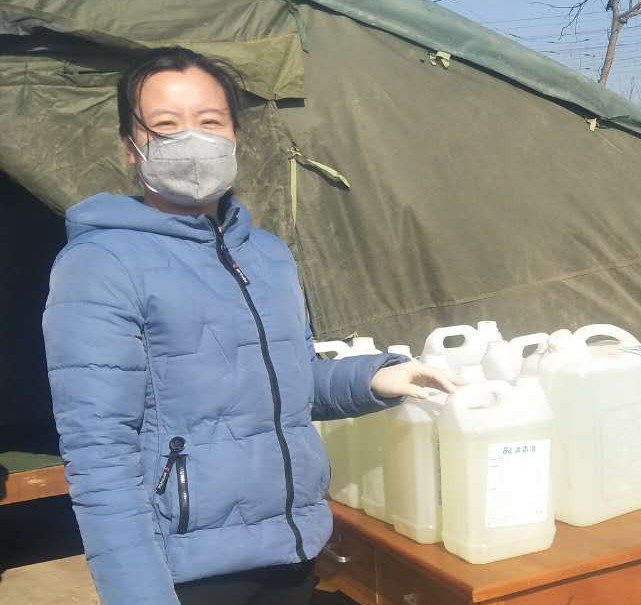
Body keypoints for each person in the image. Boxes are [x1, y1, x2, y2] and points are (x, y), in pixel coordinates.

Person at [42, 47, 460, 605]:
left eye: (209, 121)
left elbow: (286, 385)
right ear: (130, 146)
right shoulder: (101, 264)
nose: (192, 139)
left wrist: (375, 377)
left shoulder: (266, 255)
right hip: (190, 571)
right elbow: (100, 454)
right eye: (165, 125)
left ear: (234, 135)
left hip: (290, 548)